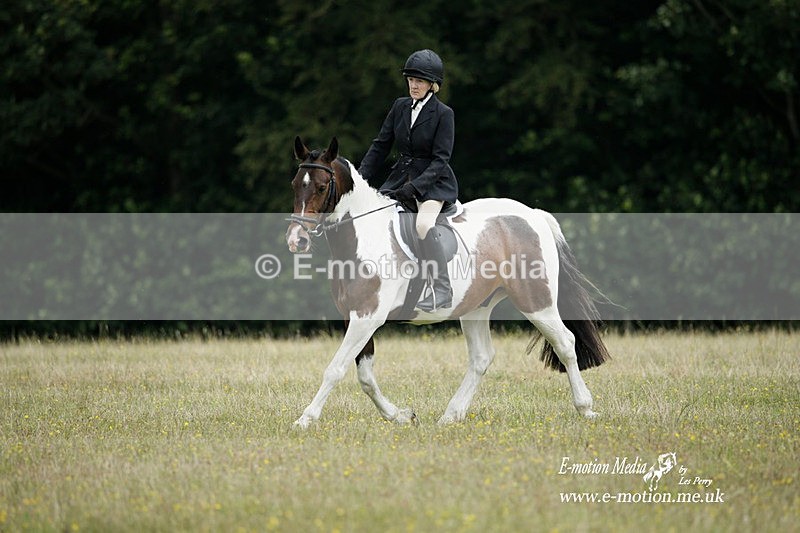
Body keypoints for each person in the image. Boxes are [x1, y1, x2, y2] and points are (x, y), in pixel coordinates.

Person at [358, 49, 458, 312]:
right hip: (400, 179)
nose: (414, 85)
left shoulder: (443, 114)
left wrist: (417, 187)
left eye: (420, 81)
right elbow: (380, 146)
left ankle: (441, 289)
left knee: (423, 225)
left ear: (432, 85)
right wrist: (359, 179)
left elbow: (440, 160)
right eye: (411, 79)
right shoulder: (400, 106)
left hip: (434, 184)